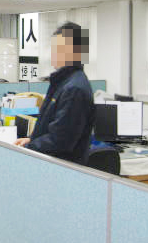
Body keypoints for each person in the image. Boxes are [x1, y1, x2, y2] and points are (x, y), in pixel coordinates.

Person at [14, 22, 95, 164]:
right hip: (53, 163)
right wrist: (31, 140)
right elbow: (52, 128)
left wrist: (29, 147)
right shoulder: (63, 82)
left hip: (63, 167)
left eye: (57, 48)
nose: (52, 53)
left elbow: (61, 140)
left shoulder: (74, 89)